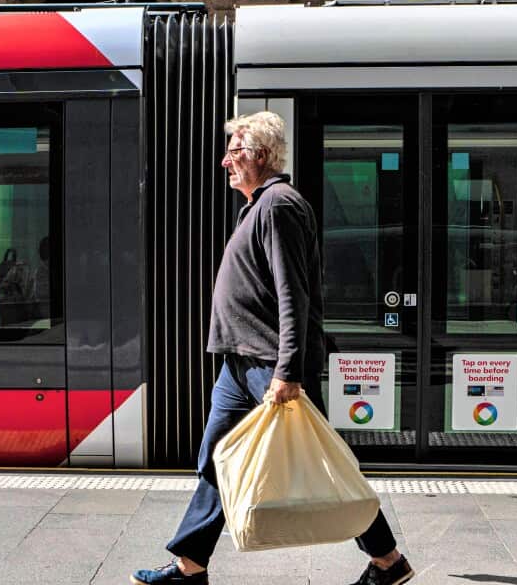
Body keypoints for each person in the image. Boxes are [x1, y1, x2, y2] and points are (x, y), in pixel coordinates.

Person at [133, 112, 413, 585]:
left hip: (269, 365)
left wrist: (287, 370)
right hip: (239, 365)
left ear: (260, 156)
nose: (225, 162)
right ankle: (190, 565)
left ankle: (387, 561)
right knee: (215, 459)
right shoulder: (258, 207)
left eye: (234, 152)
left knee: (323, 463)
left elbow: (293, 294)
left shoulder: (278, 205)